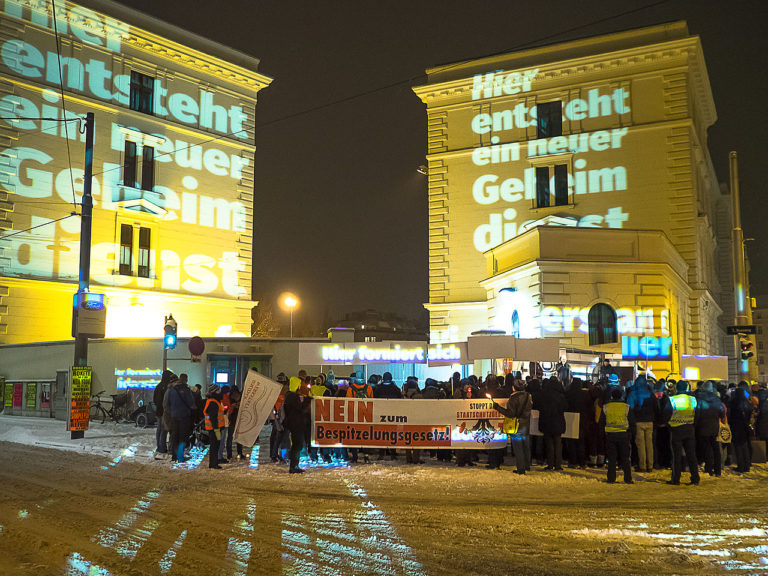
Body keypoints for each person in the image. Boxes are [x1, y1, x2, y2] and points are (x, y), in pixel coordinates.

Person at [491, 379, 532, 474]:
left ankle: (521, 468)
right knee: (526, 445)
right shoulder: (528, 396)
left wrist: (498, 408)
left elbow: (510, 413)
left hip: (516, 425)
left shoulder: (513, 398)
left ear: (514, 388)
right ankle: (527, 465)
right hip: (525, 423)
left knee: (518, 447)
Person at [663, 380, 700, 485]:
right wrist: (693, 425)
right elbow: (697, 414)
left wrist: (668, 425)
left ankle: (676, 479)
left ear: (676, 388)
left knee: (676, 456)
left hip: (676, 430)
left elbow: (666, 414)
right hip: (689, 429)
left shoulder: (672, 400)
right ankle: (695, 478)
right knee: (691, 455)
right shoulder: (693, 400)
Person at [601, 387, 634, 484]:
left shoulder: (606, 407)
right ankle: (628, 478)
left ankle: (611, 478)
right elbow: (632, 422)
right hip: (623, 434)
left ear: (612, 396)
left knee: (612, 459)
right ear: (621, 396)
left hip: (610, 435)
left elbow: (602, 422)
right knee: (625, 458)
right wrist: (630, 434)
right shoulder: (626, 407)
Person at [627, 374, 658, 473]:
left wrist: (631, 422)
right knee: (649, 444)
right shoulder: (650, 393)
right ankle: (650, 465)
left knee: (641, 445)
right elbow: (656, 408)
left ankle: (642, 466)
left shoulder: (633, 393)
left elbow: (629, 409)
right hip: (650, 422)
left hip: (638, 422)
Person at [536, 377, 567, 471]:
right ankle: (558, 465)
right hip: (558, 422)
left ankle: (550, 464)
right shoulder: (561, 396)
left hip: (547, 422)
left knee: (549, 445)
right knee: (558, 444)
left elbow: (539, 406)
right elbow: (565, 407)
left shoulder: (544, 395)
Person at [695, 380, 725, 477]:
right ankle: (717, 470)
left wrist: (696, 424)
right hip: (714, 427)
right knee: (716, 448)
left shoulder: (700, 399)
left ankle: (708, 468)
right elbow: (722, 412)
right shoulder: (717, 399)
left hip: (703, 427)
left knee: (707, 449)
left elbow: (697, 414)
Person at [164, 374, 195, 463]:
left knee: (174, 436)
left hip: (174, 416)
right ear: (185, 380)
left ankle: (174, 456)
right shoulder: (186, 389)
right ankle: (180, 456)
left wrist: (171, 413)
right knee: (182, 437)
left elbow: (166, 404)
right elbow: (191, 402)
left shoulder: (171, 389)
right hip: (184, 416)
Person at [283, 377, 311, 473]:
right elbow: (299, 408)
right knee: (297, 445)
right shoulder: (293, 397)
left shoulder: (288, 395)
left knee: (297, 444)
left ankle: (295, 465)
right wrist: (306, 401)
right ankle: (294, 466)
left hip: (293, 423)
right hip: (296, 424)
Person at [374, 372, 402, 461]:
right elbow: (400, 401)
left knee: (382, 434)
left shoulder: (378, 389)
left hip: (381, 415)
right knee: (392, 434)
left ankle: (381, 453)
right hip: (392, 415)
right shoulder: (396, 389)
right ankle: (392, 453)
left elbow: (374, 401)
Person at [729, 381, 754, 473]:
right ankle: (747, 465)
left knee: (738, 447)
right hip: (745, 427)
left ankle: (741, 466)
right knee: (745, 446)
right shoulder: (747, 403)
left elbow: (731, 416)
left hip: (736, 427)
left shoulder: (734, 402)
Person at [152, 370, 175, 458]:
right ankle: (162, 447)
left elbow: (154, 399)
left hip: (158, 411)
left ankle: (159, 446)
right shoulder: (166, 387)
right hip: (164, 411)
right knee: (164, 429)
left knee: (159, 429)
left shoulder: (158, 386)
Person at [204, 383, 225, 470]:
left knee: (216, 445)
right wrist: (216, 429)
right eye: (218, 390)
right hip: (215, 429)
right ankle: (213, 463)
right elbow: (213, 418)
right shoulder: (213, 403)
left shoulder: (214, 401)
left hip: (215, 428)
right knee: (215, 445)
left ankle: (214, 463)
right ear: (214, 392)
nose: (220, 392)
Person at [226, 386, 244, 460]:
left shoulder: (229, 397)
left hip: (233, 420)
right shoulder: (240, 397)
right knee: (237, 437)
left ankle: (229, 454)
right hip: (236, 419)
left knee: (230, 437)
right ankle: (239, 453)